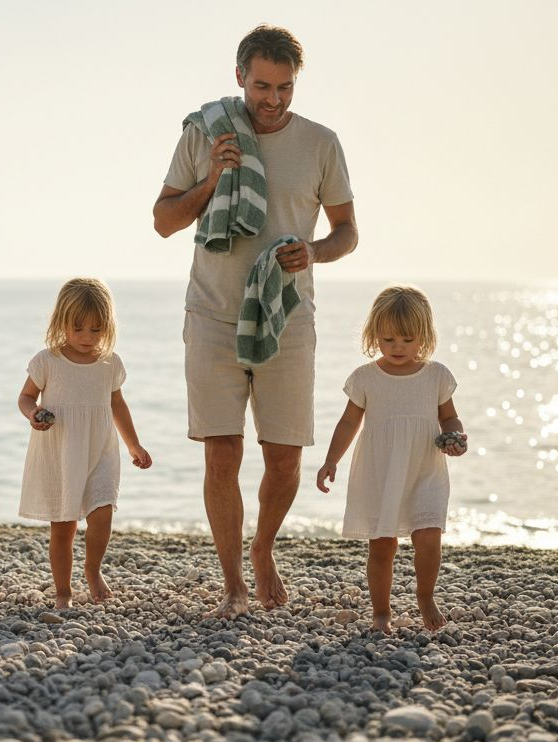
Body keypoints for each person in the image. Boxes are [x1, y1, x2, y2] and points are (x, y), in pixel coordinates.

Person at [152, 24, 358, 617]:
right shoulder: (206, 132)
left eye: (285, 87)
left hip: (286, 316)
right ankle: (233, 583)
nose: (273, 99)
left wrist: (314, 251)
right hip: (212, 313)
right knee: (222, 453)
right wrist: (212, 180)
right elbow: (164, 221)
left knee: (285, 457)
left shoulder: (321, 143)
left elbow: (347, 231)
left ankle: (263, 547)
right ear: (240, 76)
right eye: (263, 86)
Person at [315, 285, 466, 633]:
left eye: (408, 340)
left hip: (425, 471)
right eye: (388, 339)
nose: (398, 347)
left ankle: (425, 596)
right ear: (374, 336)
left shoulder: (436, 375)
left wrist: (456, 437)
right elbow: (348, 422)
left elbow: (450, 418)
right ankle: (381, 612)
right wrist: (331, 460)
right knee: (382, 546)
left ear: (424, 337)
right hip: (380, 472)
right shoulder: (365, 378)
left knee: (429, 537)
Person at [17, 278, 152, 609]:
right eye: (78, 328)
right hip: (60, 453)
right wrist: (33, 413)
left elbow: (117, 405)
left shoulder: (110, 363)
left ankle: (92, 571)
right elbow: (25, 397)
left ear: (108, 326)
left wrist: (134, 445)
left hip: (100, 451)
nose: (87, 337)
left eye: (96, 329)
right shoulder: (47, 361)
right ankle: (63, 592)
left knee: (103, 514)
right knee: (63, 529)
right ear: (61, 322)